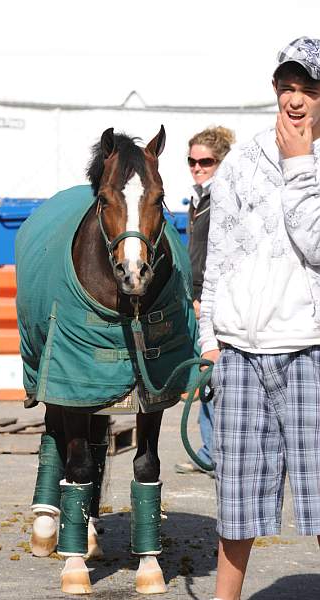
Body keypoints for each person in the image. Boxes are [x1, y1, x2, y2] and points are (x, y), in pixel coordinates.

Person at [199, 37, 320, 600]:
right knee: (238, 499)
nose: (296, 101)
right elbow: (218, 255)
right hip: (241, 352)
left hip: (310, 351)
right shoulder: (242, 162)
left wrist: (300, 166)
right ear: (275, 89)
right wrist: (209, 337)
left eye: (310, 90)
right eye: (287, 88)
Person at [175, 126, 235, 476]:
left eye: (205, 161)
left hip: (214, 298)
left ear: (221, 162)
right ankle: (210, 451)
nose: (197, 167)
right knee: (208, 377)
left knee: (217, 376)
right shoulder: (199, 200)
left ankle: (220, 455)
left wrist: (204, 298)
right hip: (198, 296)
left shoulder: (224, 197)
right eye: (192, 161)